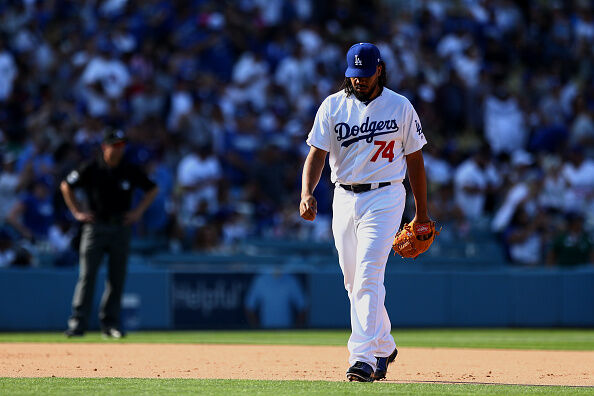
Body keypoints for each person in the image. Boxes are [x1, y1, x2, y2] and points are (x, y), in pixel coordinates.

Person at [299, 43, 430, 382]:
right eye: (353, 76)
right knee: (352, 281)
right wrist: (307, 193)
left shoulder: (400, 106)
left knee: (369, 275)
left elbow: (415, 160)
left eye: (365, 74)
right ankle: (384, 344)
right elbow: (316, 155)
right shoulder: (332, 106)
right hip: (343, 197)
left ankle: (363, 358)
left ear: (379, 70)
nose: (359, 81)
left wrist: (421, 214)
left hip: (386, 196)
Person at [60, 129, 158, 338]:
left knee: (117, 278)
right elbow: (66, 185)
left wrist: (138, 212)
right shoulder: (91, 167)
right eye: (115, 145)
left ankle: (110, 324)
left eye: (122, 145)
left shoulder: (129, 169)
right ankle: (78, 322)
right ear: (104, 146)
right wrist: (77, 211)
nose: (118, 149)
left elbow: (152, 189)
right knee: (87, 276)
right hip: (95, 226)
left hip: (120, 226)